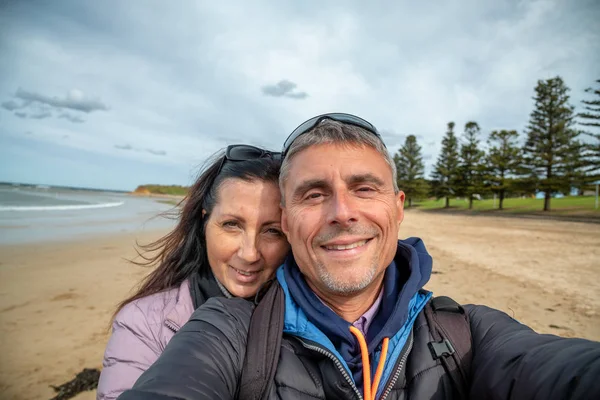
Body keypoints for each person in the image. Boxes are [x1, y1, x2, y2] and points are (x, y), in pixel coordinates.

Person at [118, 114, 600, 400]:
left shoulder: (466, 333)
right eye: (313, 194)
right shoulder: (230, 327)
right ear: (287, 222)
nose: (342, 213)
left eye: (364, 188)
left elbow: (557, 369)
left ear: (398, 207)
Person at [96, 145, 290, 400]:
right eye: (232, 225)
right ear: (204, 222)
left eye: (272, 231)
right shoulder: (143, 323)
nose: (249, 253)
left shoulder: (317, 311)